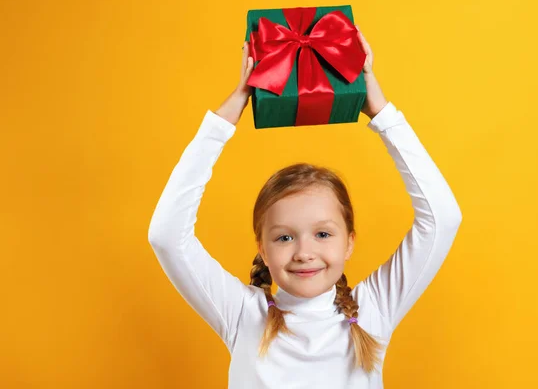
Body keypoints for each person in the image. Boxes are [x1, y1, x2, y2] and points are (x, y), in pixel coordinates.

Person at [148, 27, 462, 389]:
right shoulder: (243, 316)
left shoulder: (374, 308)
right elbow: (167, 235)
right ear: (262, 249)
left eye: (323, 233)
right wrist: (230, 111)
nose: (304, 253)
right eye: (284, 237)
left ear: (349, 242)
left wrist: (381, 112)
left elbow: (443, 218)